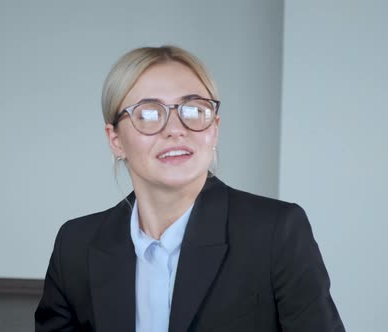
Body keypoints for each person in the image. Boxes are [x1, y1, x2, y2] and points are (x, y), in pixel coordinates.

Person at [34, 46, 344, 332]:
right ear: (115, 139)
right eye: (150, 114)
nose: (175, 129)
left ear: (215, 128)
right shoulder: (75, 245)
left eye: (194, 110)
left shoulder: (276, 231)